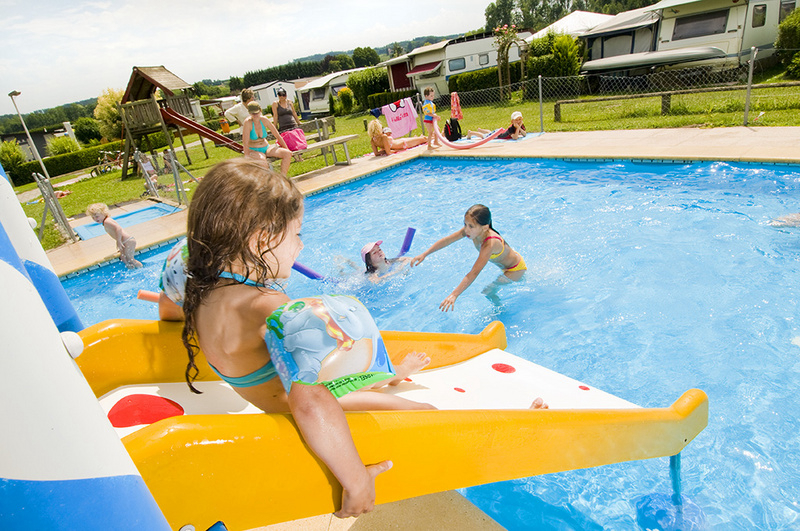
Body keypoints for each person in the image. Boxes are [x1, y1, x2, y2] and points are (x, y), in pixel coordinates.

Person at [180, 159, 441, 518]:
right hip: (291, 407)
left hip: (271, 390)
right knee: (422, 412)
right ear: (262, 239)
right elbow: (311, 404)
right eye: (297, 233)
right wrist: (356, 481)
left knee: (334, 355)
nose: (300, 246)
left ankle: (389, 374)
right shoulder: (268, 307)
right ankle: (391, 376)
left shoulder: (200, 288)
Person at [411, 204, 526, 312]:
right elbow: (448, 240)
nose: (466, 229)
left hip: (515, 269)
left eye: (471, 226)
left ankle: (500, 310)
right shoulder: (472, 232)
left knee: (488, 291)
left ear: (485, 227)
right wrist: (425, 254)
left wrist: (454, 294)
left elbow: (474, 272)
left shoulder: (489, 244)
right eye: (465, 224)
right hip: (509, 260)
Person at [242, 101, 293, 176]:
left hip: (266, 147)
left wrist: (286, 148)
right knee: (263, 162)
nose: (255, 115)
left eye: (257, 113)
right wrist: (246, 156)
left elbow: (277, 135)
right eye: (253, 113)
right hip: (254, 150)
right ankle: (268, 182)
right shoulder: (248, 123)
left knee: (287, 154)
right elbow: (245, 142)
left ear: (260, 111)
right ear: (249, 113)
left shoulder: (264, 120)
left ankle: (282, 178)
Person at [86, 203, 143, 269]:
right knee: (123, 258)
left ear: (104, 213)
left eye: (97, 216)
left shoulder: (107, 221)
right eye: (93, 217)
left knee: (130, 259)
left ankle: (142, 269)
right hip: (124, 242)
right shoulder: (106, 221)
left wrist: (118, 241)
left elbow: (118, 228)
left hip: (128, 241)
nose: (95, 219)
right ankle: (131, 268)